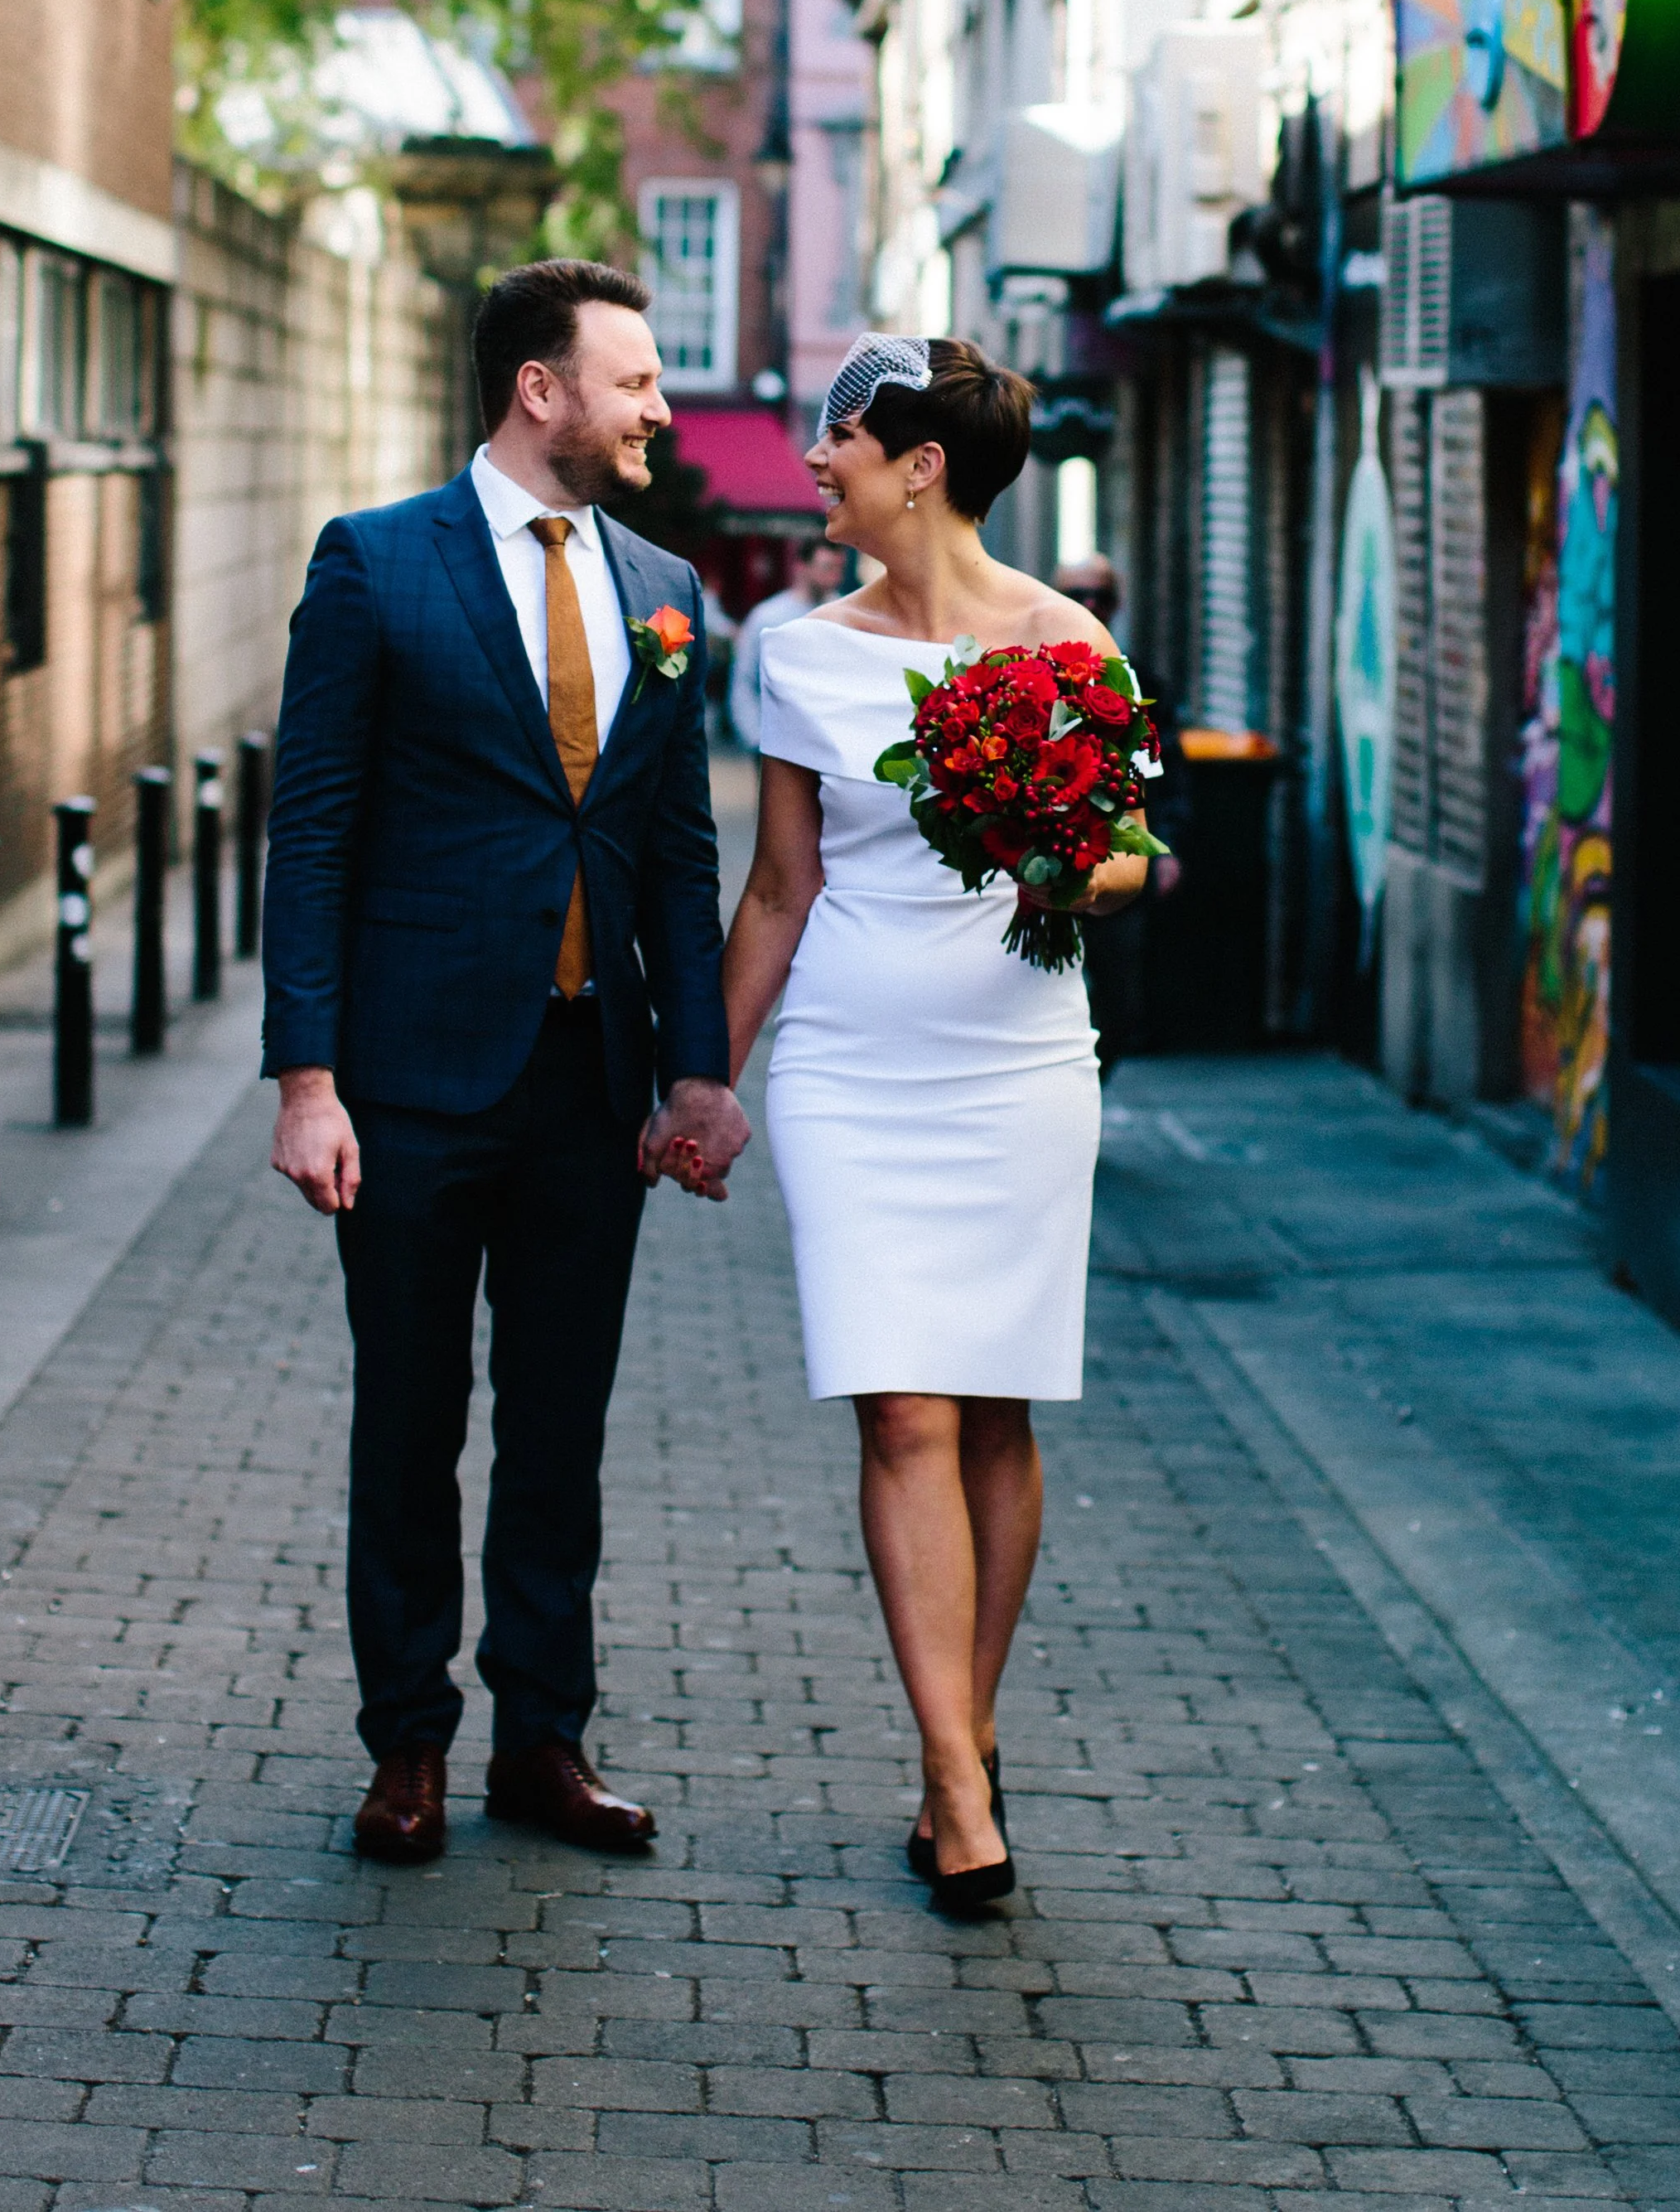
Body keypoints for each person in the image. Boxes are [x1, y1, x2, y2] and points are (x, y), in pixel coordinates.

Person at [262, 259, 751, 1870]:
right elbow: (313, 830)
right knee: (407, 1421)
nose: (660, 412)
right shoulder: (375, 565)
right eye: (636, 383)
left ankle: (542, 1738)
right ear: (537, 388)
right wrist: (307, 1080)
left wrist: (696, 1072)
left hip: (583, 1082)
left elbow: (676, 854)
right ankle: (404, 1742)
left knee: (560, 1428)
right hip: (406, 1081)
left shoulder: (665, 587)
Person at [721, 335, 1148, 1916]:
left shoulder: (1068, 643)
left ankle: (956, 1739)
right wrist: (707, 1078)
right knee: (899, 1409)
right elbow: (780, 883)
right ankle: (960, 1784)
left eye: (840, 436)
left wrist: (1059, 863)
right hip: (849, 1061)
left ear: (922, 466)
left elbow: (1128, 859)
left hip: (1019, 1062)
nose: (814, 458)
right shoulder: (798, 653)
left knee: (996, 1411)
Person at [1055, 555, 1189, 1074]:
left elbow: (1169, 769)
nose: (1090, 608)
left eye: (1101, 598)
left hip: (1119, 857)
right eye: (1078, 596)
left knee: (1115, 996)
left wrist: (1170, 845)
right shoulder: (1029, 673)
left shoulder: (1140, 679)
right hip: (1045, 851)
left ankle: (1092, 1085)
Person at [729, 534, 847, 750]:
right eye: (827, 567)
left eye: (839, 568)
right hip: (776, 744)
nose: (834, 576)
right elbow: (744, 680)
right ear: (802, 566)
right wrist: (756, 739)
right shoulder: (766, 617)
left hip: (829, 745)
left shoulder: (847, 616)